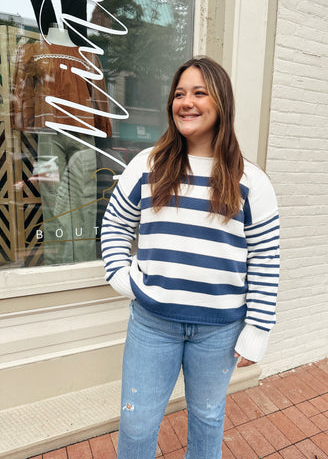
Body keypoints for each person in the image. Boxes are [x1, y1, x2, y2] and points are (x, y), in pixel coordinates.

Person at [101, 56, 280, 459]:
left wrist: (258, 330)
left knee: (207, 417)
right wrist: (121, 276)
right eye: (179, 93)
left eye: (200, 92)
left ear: (222, 103)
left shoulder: (252, 182)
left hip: (219, 332)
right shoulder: (146, 166)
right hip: (152, 325)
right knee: (136, 423)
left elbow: (266, 259)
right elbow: (114, 224)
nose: (187, 102)